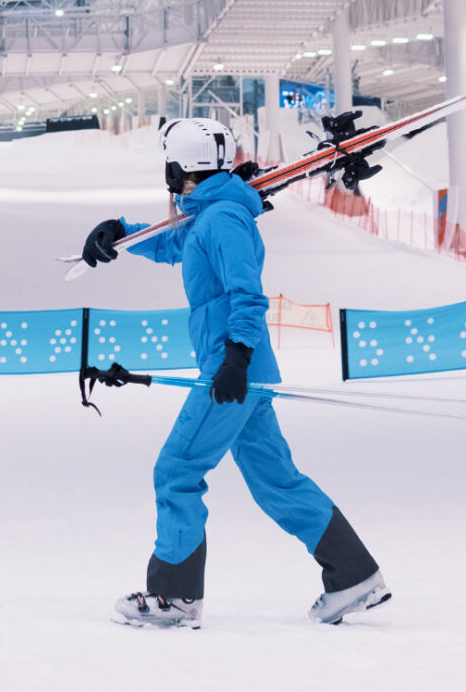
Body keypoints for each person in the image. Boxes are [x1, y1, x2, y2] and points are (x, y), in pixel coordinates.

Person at [81, 117, 390, 629]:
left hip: (230, 369)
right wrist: (120, 234)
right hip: (241, 370)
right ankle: (353, 575)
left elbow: (247, 292)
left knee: (177, 470)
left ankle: (175, 597)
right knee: (277, 482)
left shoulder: (222, 218)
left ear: (180, 167)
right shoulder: (211, 214)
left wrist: (236, 357)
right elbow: (171, 244)